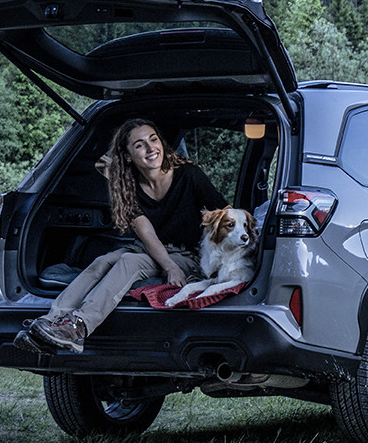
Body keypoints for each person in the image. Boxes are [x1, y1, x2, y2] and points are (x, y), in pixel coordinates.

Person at [17, 118, 226, 355]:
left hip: (187, 254)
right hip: (150, 248)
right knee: (101, 262)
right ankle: (53, 322)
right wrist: (167, 264)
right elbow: (146, 233)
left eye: (153, 139)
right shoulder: (128, 187)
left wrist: (176, 268)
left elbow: (224, 214)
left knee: (129, 262)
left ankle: (79, 327)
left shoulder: (189, 175)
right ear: (127, 155)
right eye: (139, 145)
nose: (150, 148)